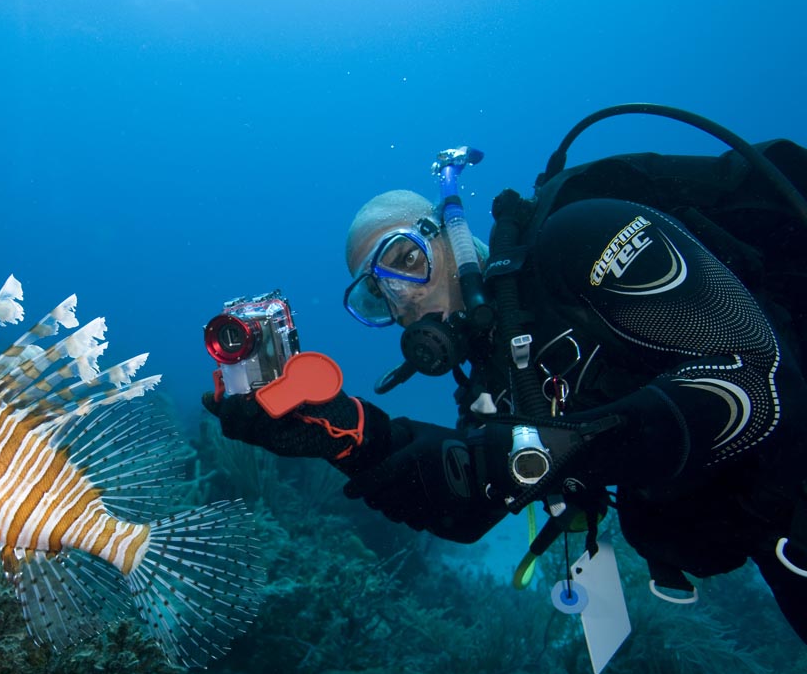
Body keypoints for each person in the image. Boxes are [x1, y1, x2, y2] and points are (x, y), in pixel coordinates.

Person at [203, 107, 807, 644]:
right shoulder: (497, 385)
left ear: (451, 235)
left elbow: (763, 379)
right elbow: (470, 503)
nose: (401, 300)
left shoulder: (583, 239)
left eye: (405, 260)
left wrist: (547, 451)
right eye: (375, 295)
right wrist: (348, 434)